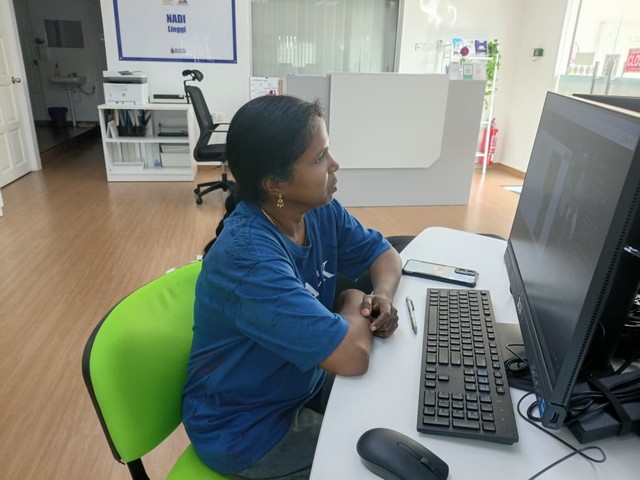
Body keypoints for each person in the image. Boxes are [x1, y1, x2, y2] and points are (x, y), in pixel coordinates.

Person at [182, 95, 402, 479]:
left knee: (398, 412)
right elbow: (351, 356)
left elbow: (383, 253)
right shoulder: (249, 258)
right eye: (319, 158)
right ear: (276, 184)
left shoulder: (317, 208)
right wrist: (353, 298)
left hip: (300, 382)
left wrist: (381, 294)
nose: (334, 164)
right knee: (380, 466)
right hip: (246, 429)